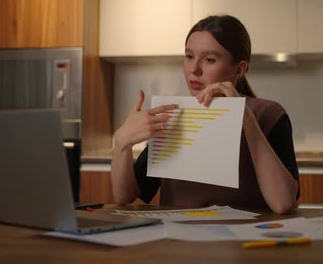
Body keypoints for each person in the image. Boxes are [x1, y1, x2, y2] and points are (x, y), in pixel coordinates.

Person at [111, 15, 299, 214]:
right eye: (189, 56)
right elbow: (125, 196)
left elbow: (283, 203)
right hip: (179, 240)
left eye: (209, 60)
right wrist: (122, 143)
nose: (194, 69)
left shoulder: (269, 114)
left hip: (243, 241)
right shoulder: (173, 115)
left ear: (240, 69)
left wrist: (246, 118)